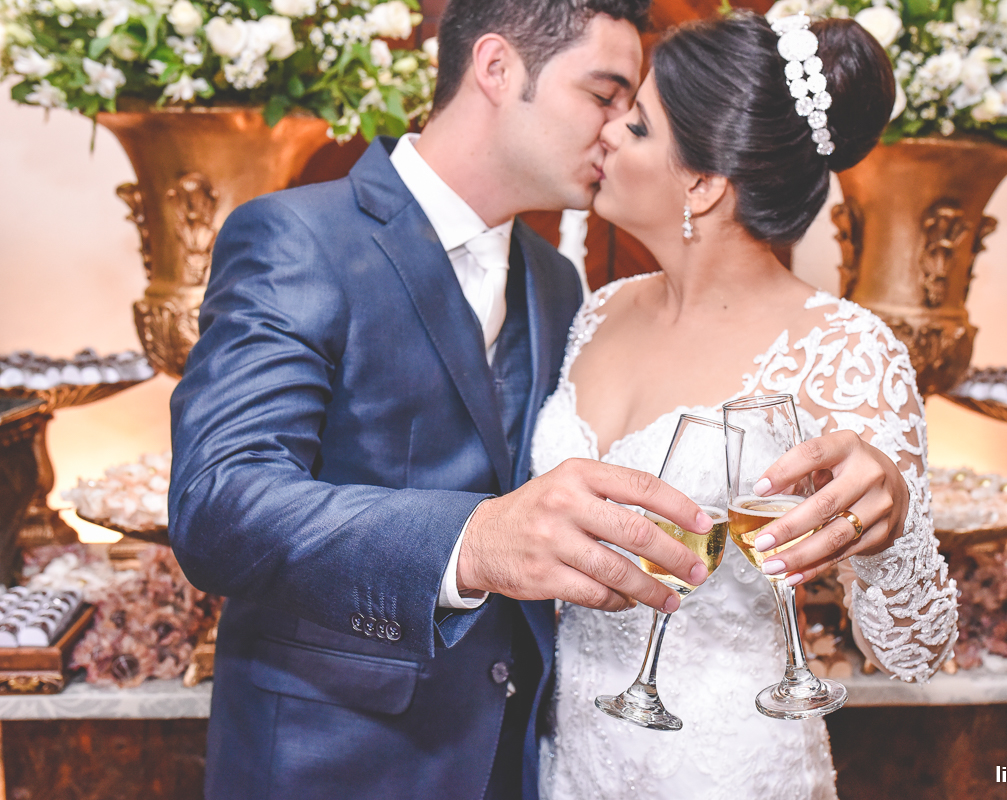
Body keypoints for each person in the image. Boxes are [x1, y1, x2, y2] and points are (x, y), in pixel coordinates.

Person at [168, 2, 727, 798]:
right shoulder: (294, 236)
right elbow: (218, 505)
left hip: (510, 760)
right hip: (328, 760)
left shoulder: (556, 281)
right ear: (497, 69)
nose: (616, 129)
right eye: (603, 94)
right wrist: (470, 541)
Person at [530, 10, 959, 799]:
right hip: (575, 761)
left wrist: (889, 528)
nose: (604, 135)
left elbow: (915, 654)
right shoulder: (598, 311)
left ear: (703, 181)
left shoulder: (845, 350)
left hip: (726, 769)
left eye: (636, 125)